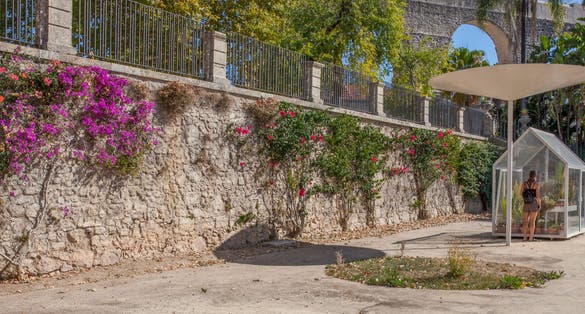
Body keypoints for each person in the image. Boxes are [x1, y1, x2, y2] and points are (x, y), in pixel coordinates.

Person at [521, 170, 541, 241]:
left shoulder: (524, 184)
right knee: (532, 221)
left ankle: (524, 237)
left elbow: (520, 193)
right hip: (533, 203)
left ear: (529, 175)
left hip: (526, 203)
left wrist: (525, 198)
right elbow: (538, 196)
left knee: (525, 221)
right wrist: (539, 205)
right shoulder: (536, 185)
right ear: (535, 176)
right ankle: (531, 238)